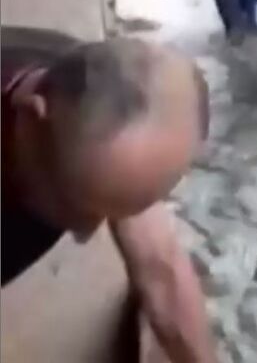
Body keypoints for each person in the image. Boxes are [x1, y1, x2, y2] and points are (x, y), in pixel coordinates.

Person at [1, 26, 216, 363]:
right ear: (31, 115)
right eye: (74, 202)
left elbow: (160, 271)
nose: (86, 234)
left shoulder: (89, 96)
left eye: (120, 208)